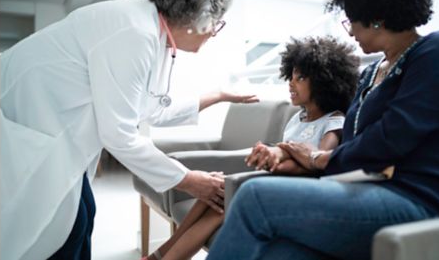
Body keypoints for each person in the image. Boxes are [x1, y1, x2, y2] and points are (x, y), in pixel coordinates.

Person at [206, 0, 439, 260]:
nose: (351, 32)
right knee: (277, 252)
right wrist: (294, 155)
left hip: (423, 199)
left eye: (351, 21)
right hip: (371, 189)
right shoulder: (371, 72)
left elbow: (390, 138)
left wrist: (319, 159)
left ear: (375, 17)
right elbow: (354, 142)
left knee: (254, 197)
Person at [0, 0, 258, 260]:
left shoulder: (149, 31)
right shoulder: (133, 33)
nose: (214, 31)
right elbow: (119, 135)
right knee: (64, 228)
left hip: (50, 127)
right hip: (24, 121)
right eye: (216, 22)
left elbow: (151, 109)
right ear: (194, 19)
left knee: (81, 216)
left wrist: (219, 96)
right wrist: (187, 179)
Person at [142, 36, 359, 260]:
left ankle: (163, 257)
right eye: (290, 76)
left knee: (220, 207)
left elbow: (320, 163)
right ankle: (161, 254)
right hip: (271, 179)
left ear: (324, 81)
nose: (291, 83)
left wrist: (280, 155)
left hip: (294, 189)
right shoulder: (298, 118)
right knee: (213, 192)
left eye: (300, 78)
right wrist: (266, 153)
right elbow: (282, 151)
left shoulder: (334, 121)